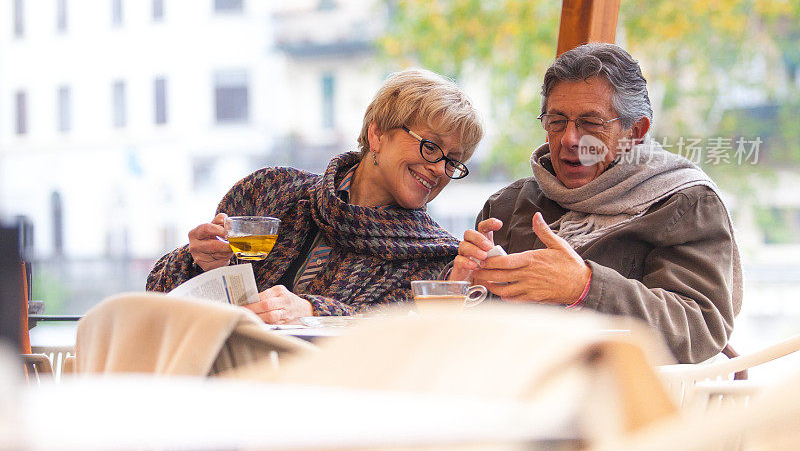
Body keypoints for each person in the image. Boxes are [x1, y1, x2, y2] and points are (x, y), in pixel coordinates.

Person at [452, 42, 742, 363]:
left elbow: (698, 327)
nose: (569, 139)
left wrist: (586, 286)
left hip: (621, 402)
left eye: (591, 123)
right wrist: (461, 287)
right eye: (557, 121)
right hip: (509, 391)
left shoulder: (684, 202)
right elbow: (466, 337)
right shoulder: (507, 205)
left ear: (636, 131)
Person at [147, 69, 484, 324]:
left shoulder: (438, 261)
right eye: (430, 147)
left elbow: (400, 342)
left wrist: (312, 310)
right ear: (377, 134)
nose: (440, 169)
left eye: (453, 161)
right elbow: (158, 299)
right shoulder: (270, 191)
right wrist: (200, 264)